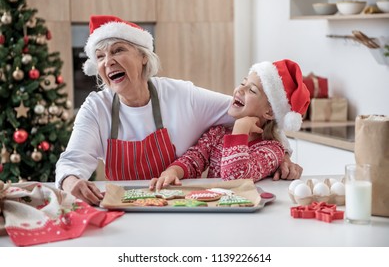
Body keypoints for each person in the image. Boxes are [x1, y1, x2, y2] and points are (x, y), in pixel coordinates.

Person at [55, 15, 303, 205]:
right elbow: (72, 161)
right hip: (123, 209)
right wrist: (70, 181)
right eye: (99, 56)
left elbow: (249, 113)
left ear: (143, 56)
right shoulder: (95, 108)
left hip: (178, 207)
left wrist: (283, 155)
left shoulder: (183, 96)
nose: (107, 61)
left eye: (118, 50)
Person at [150, 59, 310, 190]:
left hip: (245, 216)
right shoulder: (217, 133)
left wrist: (240, 130)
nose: (240, 90)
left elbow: (234, 178)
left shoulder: (271, 150)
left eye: (252, 90)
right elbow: (193, 159)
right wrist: (172, 172)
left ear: (269, 112)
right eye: (243, 83)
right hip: (216, 209)